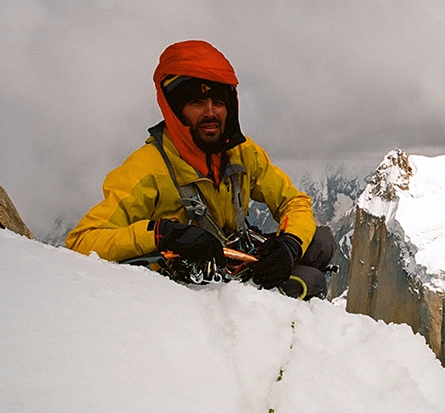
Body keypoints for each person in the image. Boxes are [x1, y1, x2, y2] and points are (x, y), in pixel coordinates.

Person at [66, 40, 334, 299]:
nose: (210, 112)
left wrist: (289, 245)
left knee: (322, 241)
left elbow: (294, 202)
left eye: (218, 102)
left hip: (237, 259)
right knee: (311, 282)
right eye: (197, 103)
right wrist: (162, 234)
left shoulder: (241, 153)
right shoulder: (147, 169)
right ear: (175, 110)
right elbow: (83, 241)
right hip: (191, 285)